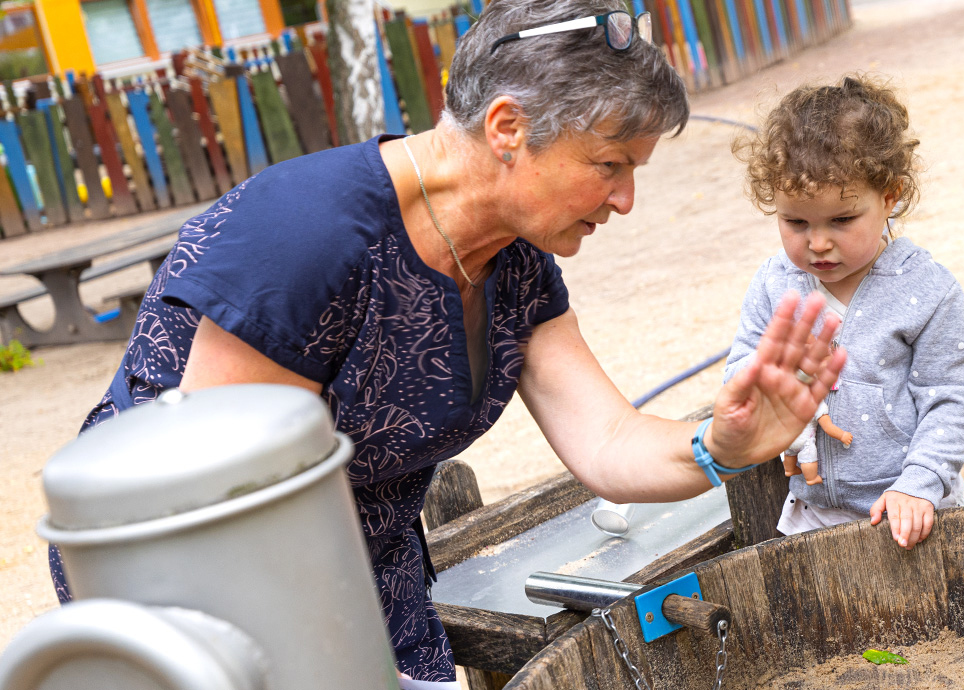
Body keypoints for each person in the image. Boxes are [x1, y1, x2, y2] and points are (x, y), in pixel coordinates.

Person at [48, 1, 847, 685]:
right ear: (507, 126)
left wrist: (724, 443)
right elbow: (232, 508)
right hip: (205, 590)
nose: (626, 199)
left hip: (364, 566)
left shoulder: (515, 259)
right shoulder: (305, 234)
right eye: (608, 164)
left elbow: (608, 443)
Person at [726, 75, 964, 549]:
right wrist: (787, 384)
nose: (817, 242)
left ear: (889, 197)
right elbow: (740, 368)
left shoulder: (926, 291)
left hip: (911, 510)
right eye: (795, 222)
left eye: (842, 220)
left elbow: (950, 397)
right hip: (812, 513)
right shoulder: (776, 282)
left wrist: (919, 482)